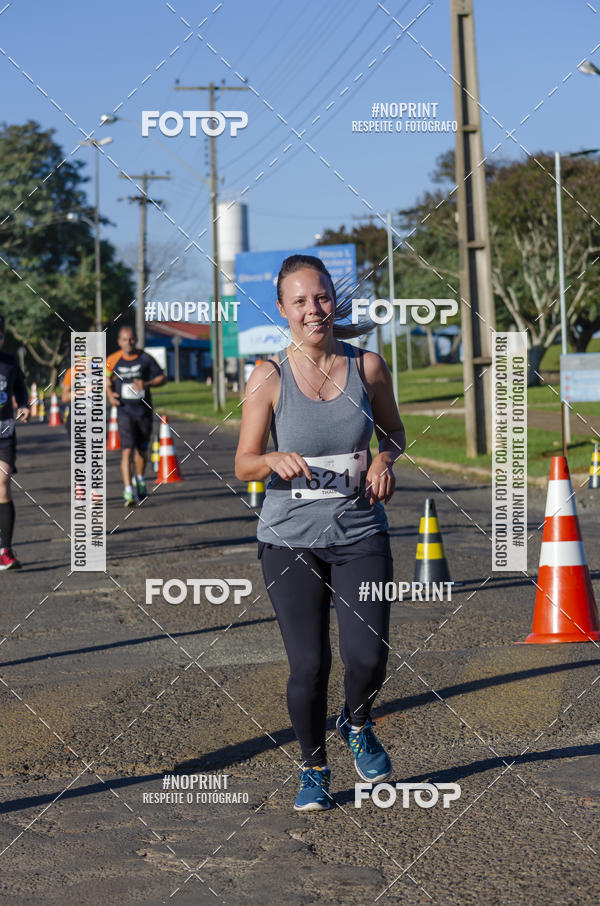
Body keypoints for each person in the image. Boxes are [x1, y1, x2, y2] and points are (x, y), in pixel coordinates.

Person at [235, 255, 406, 811]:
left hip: (360, 531)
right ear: (283, 309)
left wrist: (384, 461)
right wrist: (272, 460)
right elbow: (243, 464)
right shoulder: (269, 376)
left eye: (323, 297)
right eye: (301, 301)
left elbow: (394, 432)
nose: (315, 309)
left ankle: (356, 723)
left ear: (336, 301)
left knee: (369, 658)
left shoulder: (368, 367)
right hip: (288, 538)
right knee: (309, 665)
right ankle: (312, 766)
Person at [106, 325, 166, 506]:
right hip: (124, 412)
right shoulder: (113, 360)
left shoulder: (145, 358)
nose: (128, 343)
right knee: (126, 450)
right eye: (125, 340)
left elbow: (162, 378)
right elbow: (104, 378)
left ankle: (139, 479)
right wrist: (110, 395)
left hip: (144, 411)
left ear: (136, 340)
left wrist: (146, 383)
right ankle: (127, 491)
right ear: (119, 342)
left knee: (141, 450)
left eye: (131, 339)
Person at [0, 313, 30, 569]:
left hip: (4, 432)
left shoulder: (9, 363)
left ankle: (5, 550)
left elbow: (20, 388)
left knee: (3, 481)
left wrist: (23, 405)